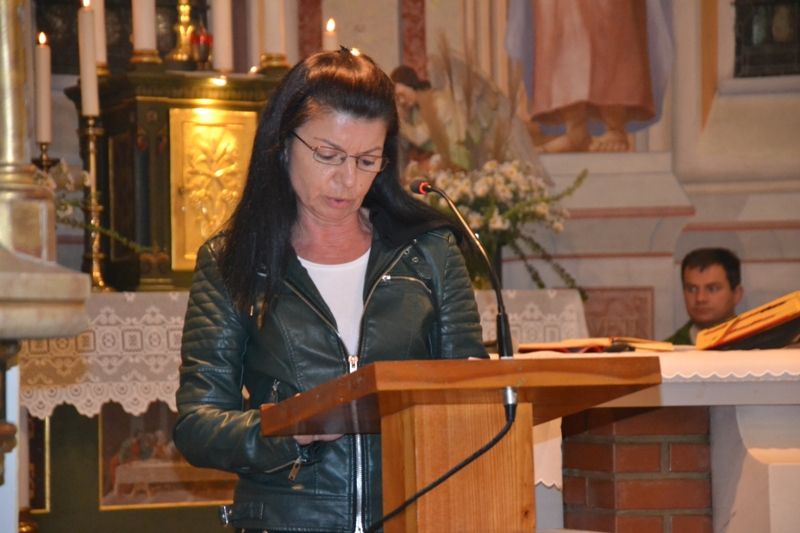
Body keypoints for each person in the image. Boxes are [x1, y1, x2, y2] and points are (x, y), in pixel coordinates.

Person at [173, 48, 487, 533]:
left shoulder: (428, 251)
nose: (348, 179)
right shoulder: (232, 260)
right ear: (283, 144)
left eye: (367, 160)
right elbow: (197, 425)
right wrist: (286, 427)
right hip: (289, 520)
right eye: (328, 155)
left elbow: (473, 396)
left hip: (412, 515)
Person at [666, 248, 743, 345]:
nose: (700, 298)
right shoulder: (667, 350)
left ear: (736, 294)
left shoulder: (757, 346)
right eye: (692, 289)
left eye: (712, 289)